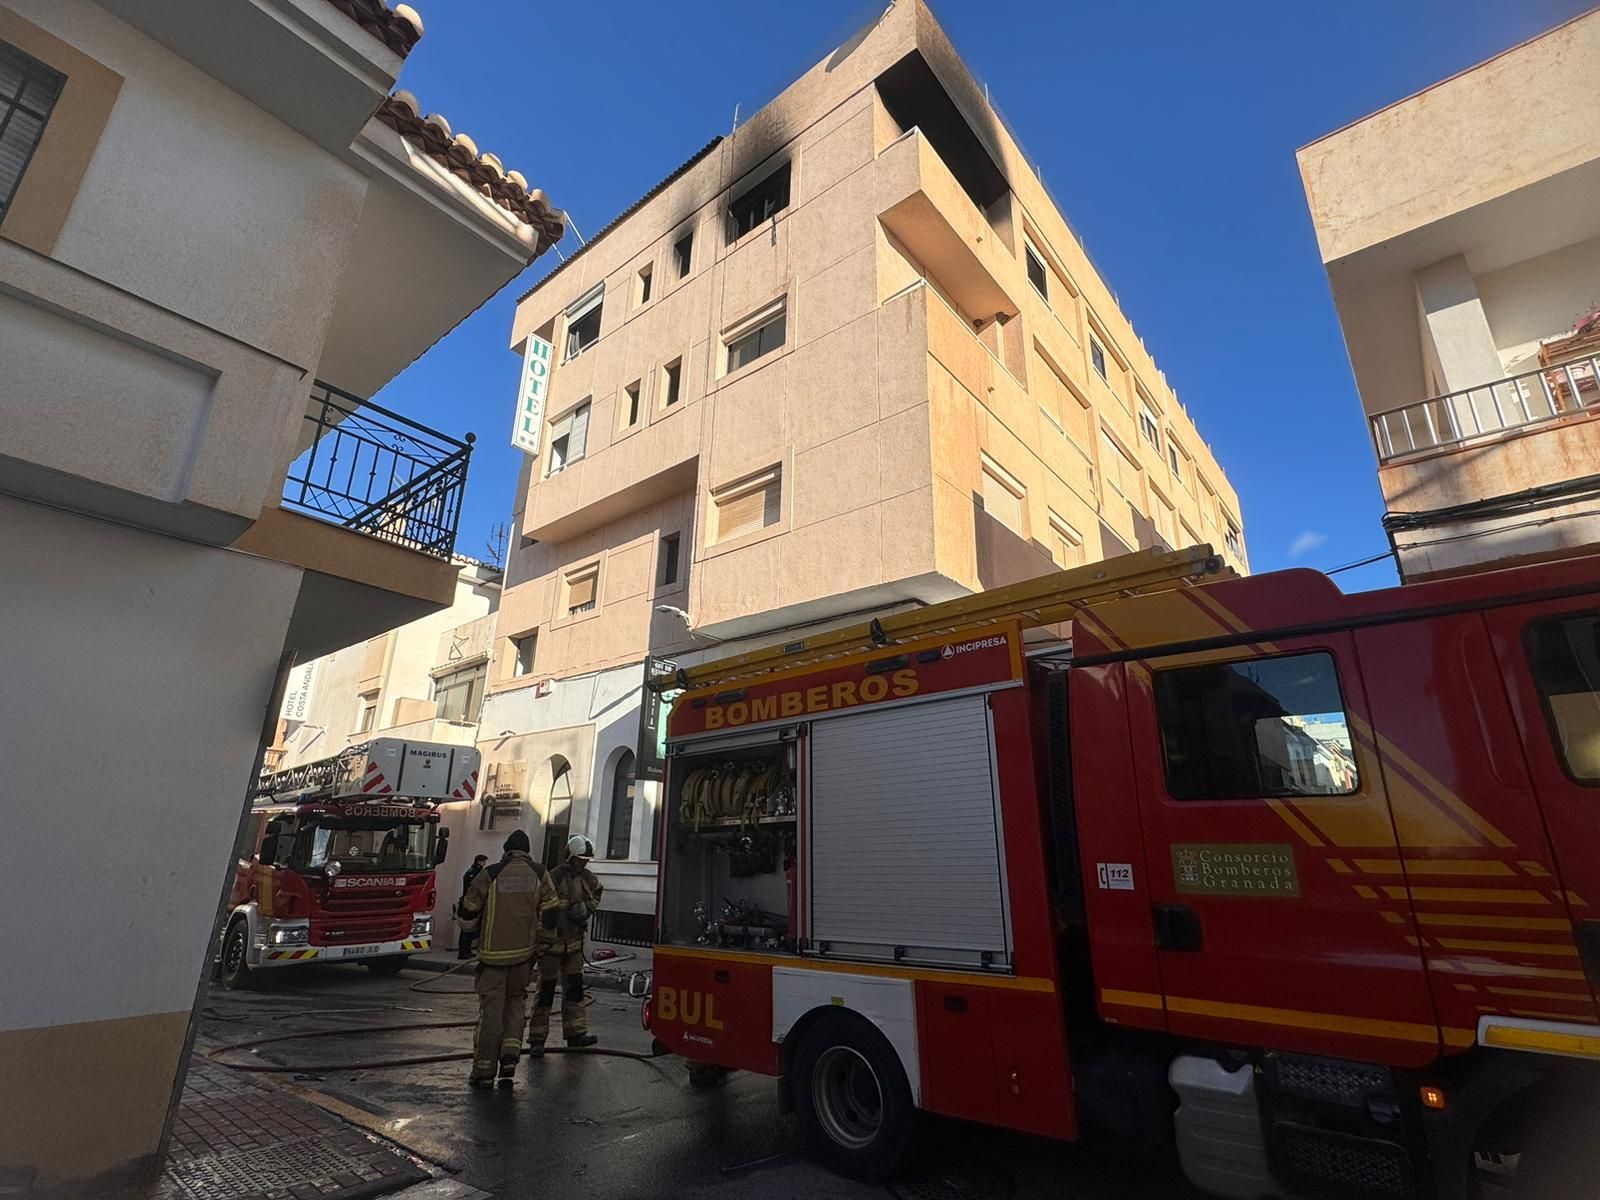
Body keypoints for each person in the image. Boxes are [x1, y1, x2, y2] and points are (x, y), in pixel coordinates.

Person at [456, 830, 557, 1088]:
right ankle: (510, 1059)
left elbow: (469, 911)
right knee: (515, 1006)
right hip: (524, 957)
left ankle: (483, 1069)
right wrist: (544, 943)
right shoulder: (539, 873)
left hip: (492, 959)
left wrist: (468, 928)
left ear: (506, 850)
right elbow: (551, 909)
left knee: (491, 1013)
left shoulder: (490, 873)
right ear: (527, 851)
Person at [528, 834, 604, 1053]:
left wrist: (587, 908)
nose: (583, 864)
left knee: (575, 991)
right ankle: (537, 1039)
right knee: (546, 992)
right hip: (551, 946)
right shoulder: (554, 876)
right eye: (580, 860)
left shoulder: (587, 878)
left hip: (573, 945)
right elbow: (539, 906)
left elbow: (597, 892)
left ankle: (576, 1034)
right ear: (570, 857)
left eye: (586, 861)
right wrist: (542, 937)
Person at [457, 854, 488, 960]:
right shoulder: (476, 873)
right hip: (471, 903)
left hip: (467, 902)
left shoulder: (471, 871)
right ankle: (464, 951)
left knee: (467, 928)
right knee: (469, 928)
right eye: (484, 861)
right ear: (480, 861)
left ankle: (465, 950)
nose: (484, 864)